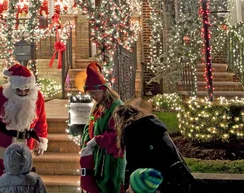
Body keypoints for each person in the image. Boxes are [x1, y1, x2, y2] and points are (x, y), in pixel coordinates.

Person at [0, 64, 49, 187]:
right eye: (19, 89)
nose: (23, 93)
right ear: (12, 87)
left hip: (26, 144)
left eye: (26, 90)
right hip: (1, 145)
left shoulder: (37, 96)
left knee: (24, 179)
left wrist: (41, 139)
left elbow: (41, 120)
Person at [113, 104, 193, 193]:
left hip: (157, 181)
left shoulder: (131, 131)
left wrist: (130, 185)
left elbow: (133, 162)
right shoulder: (152, 124)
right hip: (178, 175)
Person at [80, 62, 125, 193]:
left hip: (111, 160)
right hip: (99, 157)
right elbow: (91, 124)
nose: (92, 97)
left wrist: (96, 140)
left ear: (103, 89)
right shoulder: (98, 106)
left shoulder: (116, 106)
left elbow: (117, 132)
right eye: (90, 94)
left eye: (94, 93)